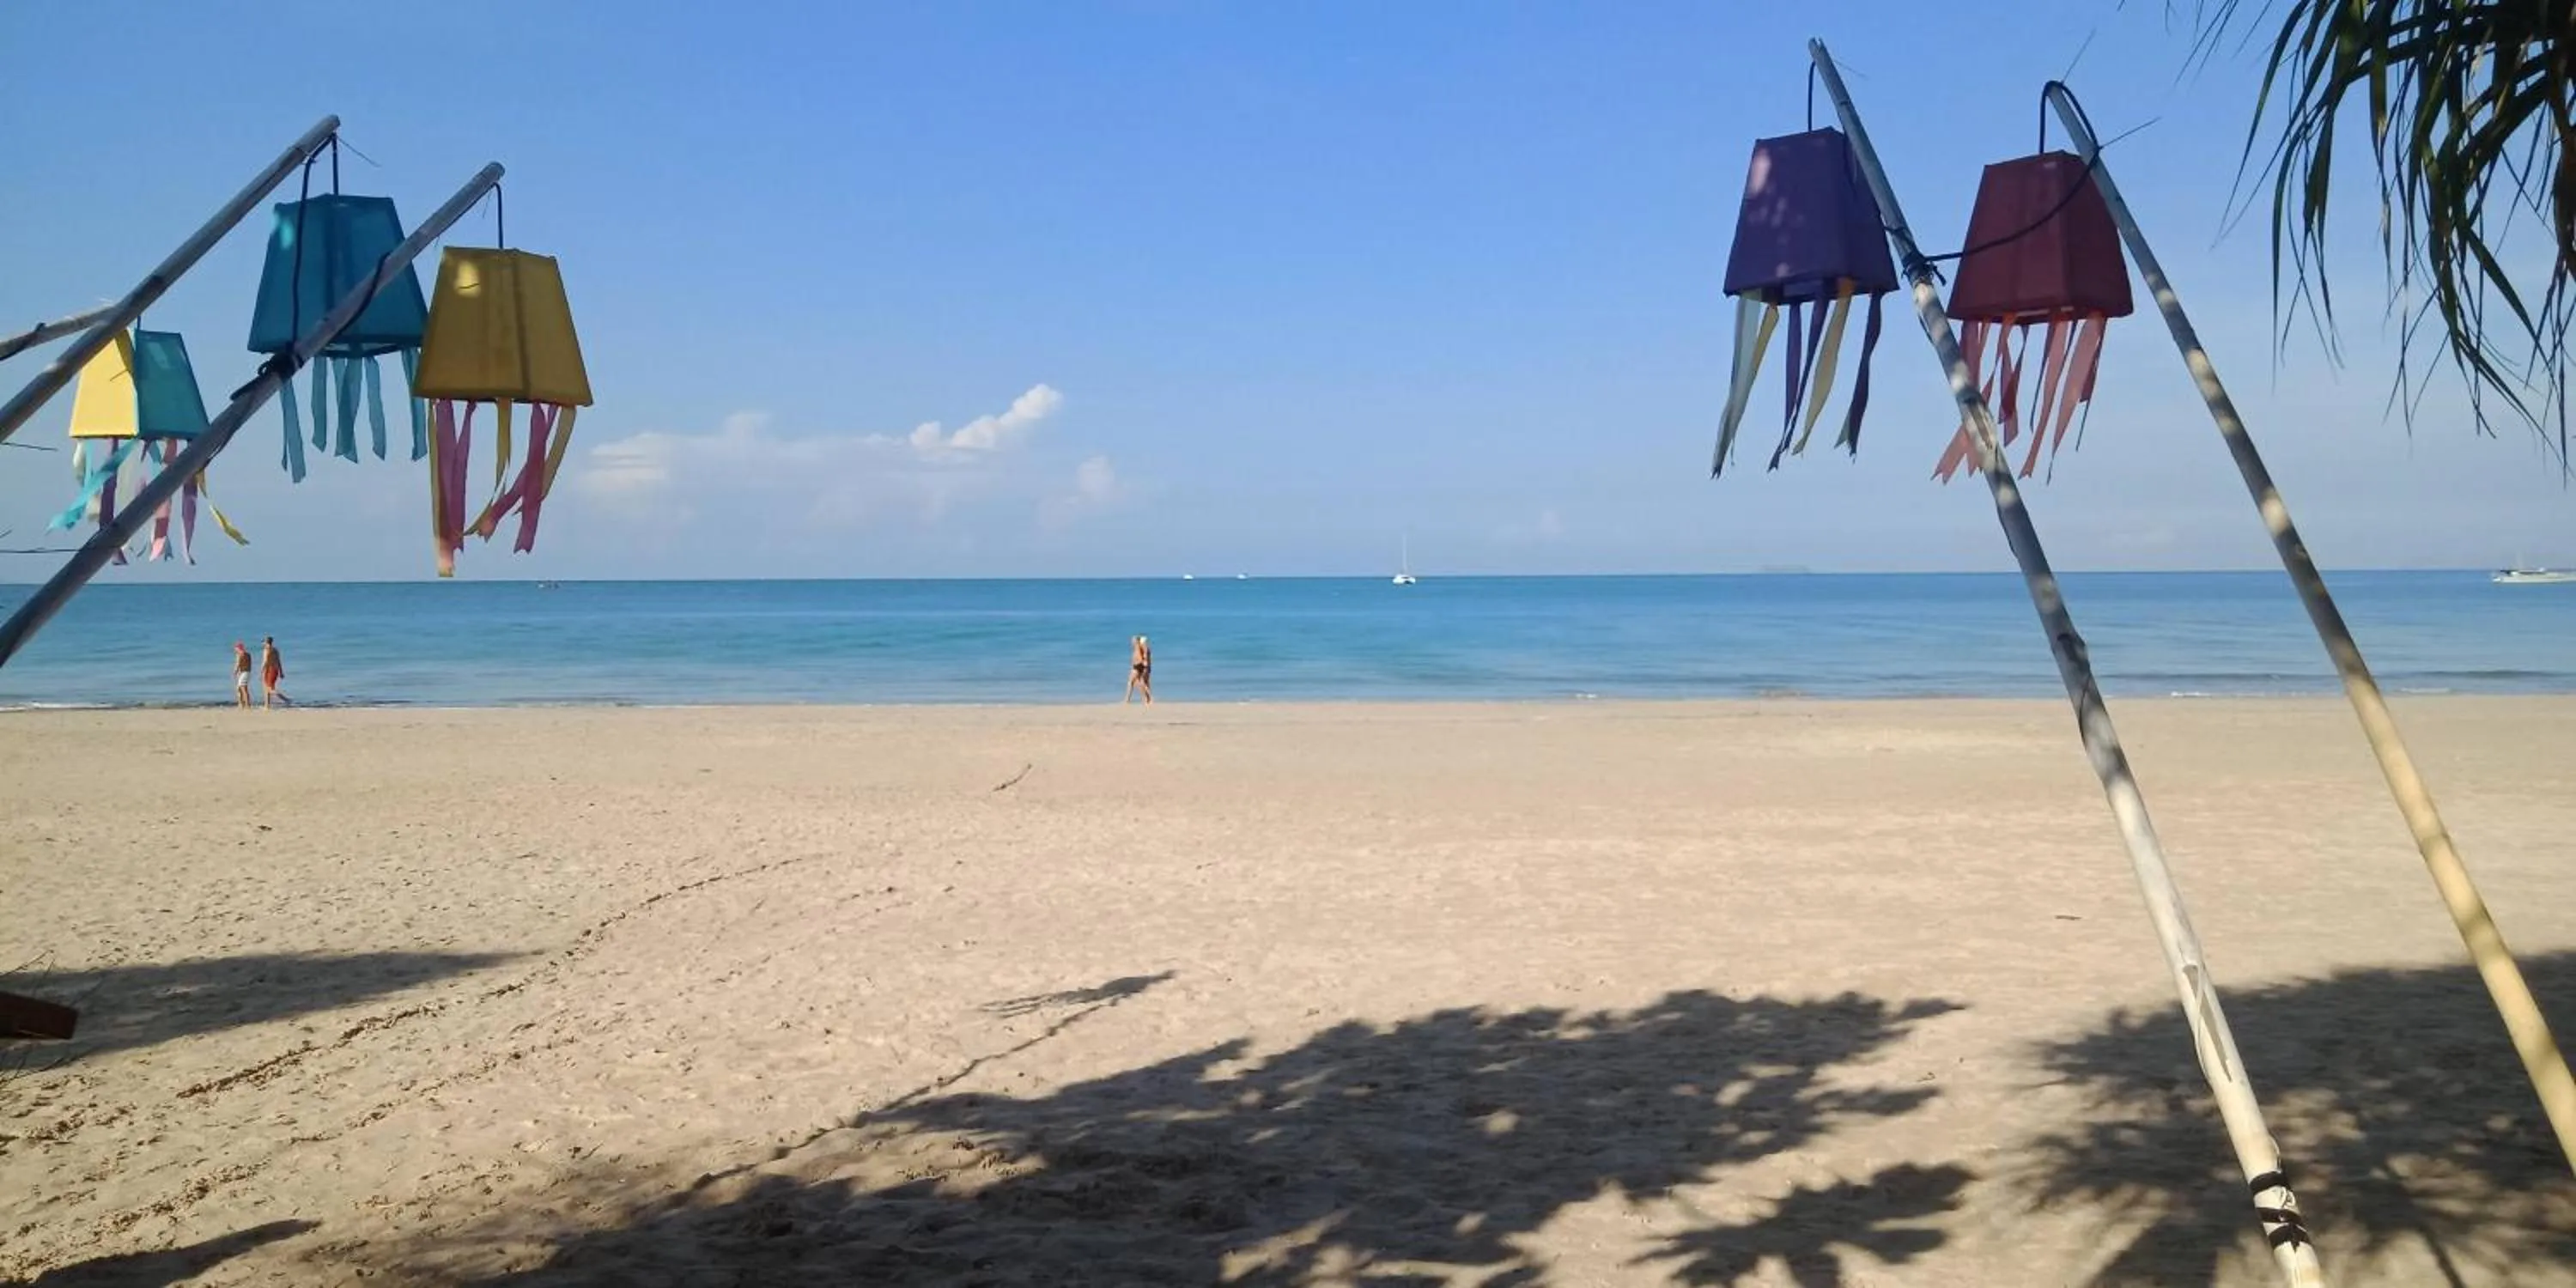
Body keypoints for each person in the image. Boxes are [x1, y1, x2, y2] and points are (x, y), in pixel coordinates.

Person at [1123, 635, 1153, 705]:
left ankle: (1128, 700)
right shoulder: (1140, 646)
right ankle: (1147, 699)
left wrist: (1143, 662)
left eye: (1133, 640)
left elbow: (1140, 656)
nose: (1131, 642)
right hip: (1138, 665)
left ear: (1136, 641)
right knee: (1139, 683)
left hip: (1137, 666)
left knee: (1132, 682)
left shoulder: (1138, 646)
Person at [259, 635, 288, 709]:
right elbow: (279, 661)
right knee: (266, 688)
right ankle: (267, 706)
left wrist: (261, 672)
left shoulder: (266, 650)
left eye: (263, 642)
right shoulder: (275, 650)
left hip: (269, 669)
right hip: (275, 670)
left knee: (269, 689)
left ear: (266, 642)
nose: (263, 643)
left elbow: (265, 661)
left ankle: (285, 699)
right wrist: (281, 672)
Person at [232, 641, 253, 710]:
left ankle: (246, 705)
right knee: (242, 689)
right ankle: (242, 704)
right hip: (247, 672)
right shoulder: (248, 654)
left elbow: (237, 664)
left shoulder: (239, 655)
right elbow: (249, 664)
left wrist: (235, 672)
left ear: (239, 648)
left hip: (243, 673)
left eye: (236, 648)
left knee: (243, 689)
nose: (235, 650)